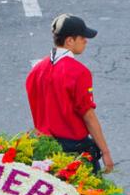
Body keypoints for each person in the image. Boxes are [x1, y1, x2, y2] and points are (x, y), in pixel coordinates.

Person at [26, 13, 114, 174]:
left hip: (43, 148)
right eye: (82, 37)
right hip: (73, 152)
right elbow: (88, 116)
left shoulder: (36, 71)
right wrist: (106, 152)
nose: (86, 41)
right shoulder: (79, 72)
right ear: (70, 41)